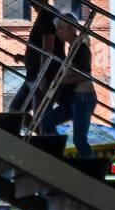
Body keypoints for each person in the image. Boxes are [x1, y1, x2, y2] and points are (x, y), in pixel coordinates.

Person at [40, 18, 96, 156]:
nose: (58, 33)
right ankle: (57, 153)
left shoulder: (79, 47)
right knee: (47, 121)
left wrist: (62, 81)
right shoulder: (73, 47)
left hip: (82, 97)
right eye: (57, 29)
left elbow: (85, 75)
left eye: (61, 28)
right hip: (74, 98)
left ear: (71, 28)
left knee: (79, 139)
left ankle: (92, 171)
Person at [7, 0, 62, 121]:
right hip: (35, 75)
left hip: (42, 76)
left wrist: (42, 75)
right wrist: (24, 58)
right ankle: (38, 135)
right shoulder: (45, 14)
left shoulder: (47, 15)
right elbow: (44, 49)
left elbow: (48, 48)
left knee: (35, 115)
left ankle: (41, 138)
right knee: (16, 111)